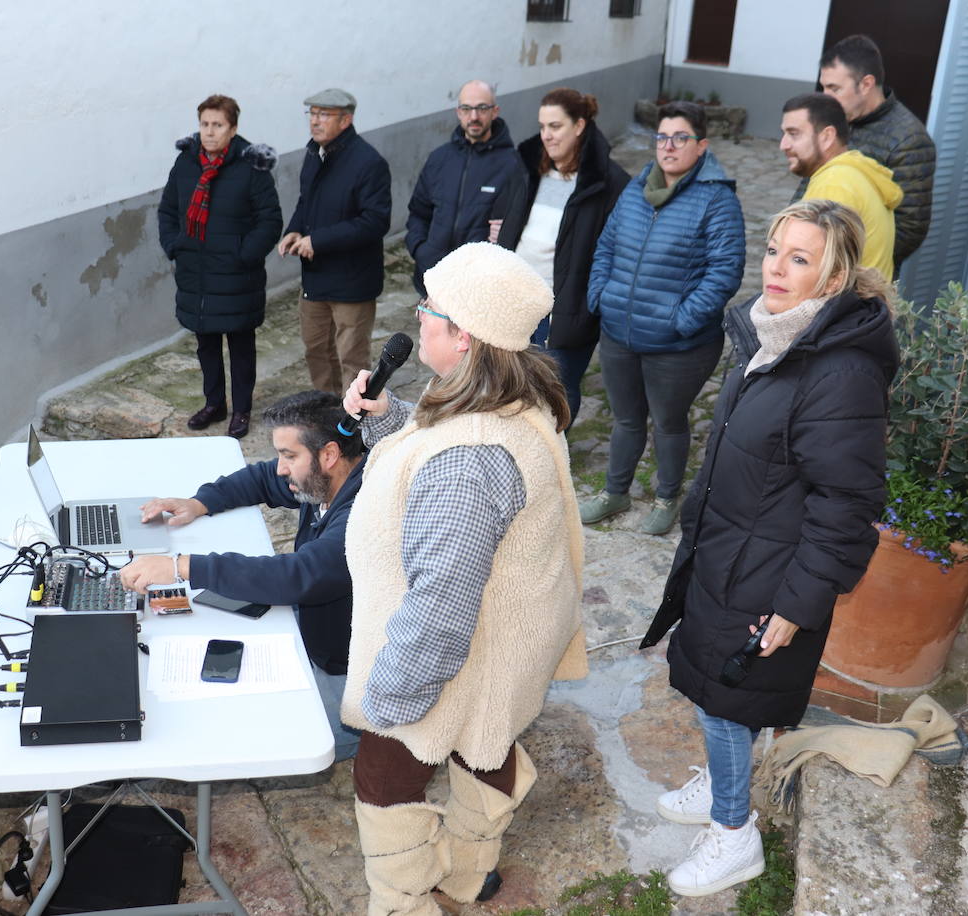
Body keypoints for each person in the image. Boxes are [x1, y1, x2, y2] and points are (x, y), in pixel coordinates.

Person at [640, 199, 897, 897]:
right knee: (711, 679)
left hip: (770, 569)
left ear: (835, 276)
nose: (777, 268)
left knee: (726, 696)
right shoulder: (773, 334)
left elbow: (846, 503)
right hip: (730, 548)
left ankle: (733, 833)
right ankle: (722, 780)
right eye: (775, 250)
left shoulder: (840, 371)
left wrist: (797, 601)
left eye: (800, 258)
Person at [340, 242, 587, 914]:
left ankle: (404, 903)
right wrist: (388, 421)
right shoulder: (498, 396)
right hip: (503, 642)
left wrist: (392, 699)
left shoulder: (471, 462)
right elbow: (435, 453)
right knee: (486, 741)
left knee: (385, 779)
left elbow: (443, 599)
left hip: (462, 649)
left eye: (431, 309)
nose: (418, 318)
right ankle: (471, 869)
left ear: (467, 337)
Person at [118, 390, 366, 761]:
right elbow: (263, 477)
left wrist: (179, 566)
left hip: (347, 675)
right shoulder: (321, 477)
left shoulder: (364, 511)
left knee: (243, 732)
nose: (281, 468)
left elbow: (299, 576)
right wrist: (201, 502)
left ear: (329, 455)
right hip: (319, 630)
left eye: (289, 456)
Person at [581, 101, 746, 536]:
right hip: (619, 331)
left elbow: (725, 272)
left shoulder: (717, 199)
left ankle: (666, 497)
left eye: (680, 138)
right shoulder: (636, 190)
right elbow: (606, 248)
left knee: (669, 423)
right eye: (661, 137)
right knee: (626, 419)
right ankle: (614, 492)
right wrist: (602, 296)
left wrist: (681, 319)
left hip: (678, 344)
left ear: (702, 145)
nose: (668, 146)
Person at [493, 88, 630, 421]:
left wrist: (592, 302)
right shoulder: (530, 168)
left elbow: (616, 253)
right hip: (517, 301)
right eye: (542, 126)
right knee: (509, 387)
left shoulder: (610, 183)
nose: (546, 135)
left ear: (579, 125)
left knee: (557, 396)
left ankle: (555, 461)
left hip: (567, 309)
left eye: (555, 126)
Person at [157, 94, 283, 438]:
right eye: (205, 124)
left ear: (233, 128)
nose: (209, 132)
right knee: (206, 344)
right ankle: (215, 403)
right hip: (195, 273)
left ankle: (241, 409)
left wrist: (245, 254)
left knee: (241, 346)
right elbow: (168, 210)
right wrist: (175, 246)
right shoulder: (186, 163)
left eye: (218, 125)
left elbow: (270, 220)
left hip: (236, 275)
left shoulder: (251, 167)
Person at [278, 88, 392, 395]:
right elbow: (306, 202)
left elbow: (375, 222)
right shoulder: (315, 153)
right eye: (312, 114)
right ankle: (325, 414)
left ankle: (352, 426)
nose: (315, 122)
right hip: (315, 278)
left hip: (352, 282)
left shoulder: (369, 163)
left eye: (323, 115)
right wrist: (294, 230)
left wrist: (319, 240)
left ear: (346, 120)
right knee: (316, 351)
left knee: (352, 359)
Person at [817, 34, 936, 270]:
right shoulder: (838, 119)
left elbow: (909, 229)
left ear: (866, 84)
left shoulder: (910, 139)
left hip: (854, 277)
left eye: (835, 88)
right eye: (823, 87)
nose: (825, 97)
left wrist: (846, 264)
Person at [405, 80, 521, 295]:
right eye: (467, 109)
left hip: (478, 289)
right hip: (433, 282)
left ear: (495, 111)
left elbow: (515, 228)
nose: (474, 116)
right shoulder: (439, 158)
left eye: (482, 108)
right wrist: (421, 250)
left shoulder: (513, 165)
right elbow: (418, 213)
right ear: (458, 112)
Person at [781, 93, 902, 280]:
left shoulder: (834, 184)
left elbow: (814, 276)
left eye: (794, 134)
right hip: (864, 305)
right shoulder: (855, 171)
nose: (783, 145)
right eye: (784, 134)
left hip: (845, 306)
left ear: (827, 137)